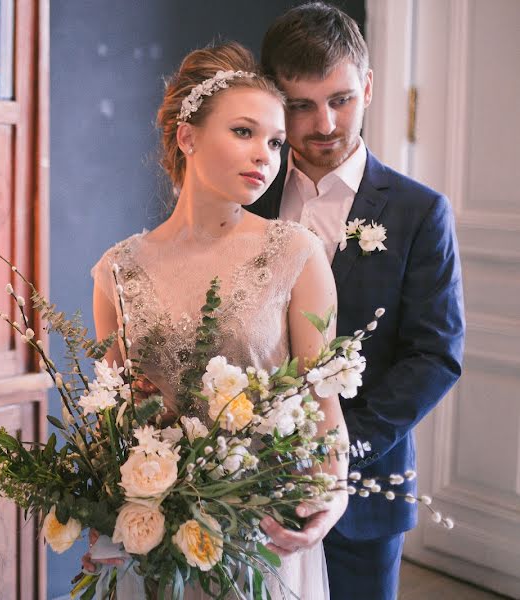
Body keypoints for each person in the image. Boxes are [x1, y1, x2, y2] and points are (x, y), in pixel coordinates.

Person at [88, 41, 348, 599]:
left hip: (260, 533)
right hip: (157, 539)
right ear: (188, 137)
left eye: (276, 141)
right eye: (244, 132)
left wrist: (335, 494)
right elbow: (115, 421)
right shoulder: (117, 270)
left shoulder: (296, 254)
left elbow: (325, 404)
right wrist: (95, 500)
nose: (266, 155)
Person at [250, 4, 465, 599]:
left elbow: (435, 355)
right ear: (275, 101)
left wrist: (337, 451)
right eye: (300, 104)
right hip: (245, 487)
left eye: (341, 99)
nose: (324, 123)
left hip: (367, 488)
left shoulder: (421, 212)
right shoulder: (244, 202)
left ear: (367, 87)